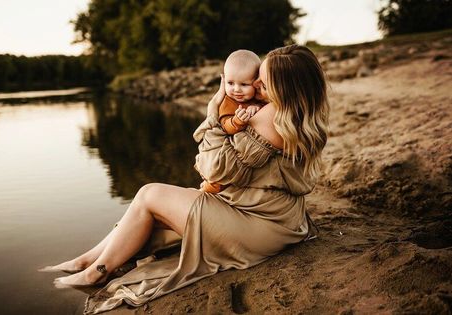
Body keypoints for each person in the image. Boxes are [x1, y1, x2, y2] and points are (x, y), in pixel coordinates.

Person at [40, 44, 329, 315]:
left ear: (284, 89)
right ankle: (88, 259)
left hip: (258, 227)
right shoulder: (299, 113)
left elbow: (213, 169)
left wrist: (214, 113)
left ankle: (94, 272)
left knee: (149, 194)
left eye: (262, 83)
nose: (254, 86)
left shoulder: (267, 115)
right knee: (152, 213)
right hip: (275, 218)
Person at [199, 49, 266, 194]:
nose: (236, 90)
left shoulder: (258, 99)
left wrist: (258, 107)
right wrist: (236, 121)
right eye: (230, 83)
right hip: (224, 155)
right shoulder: (227, 102)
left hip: (245, 158)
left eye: (244, 84)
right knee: (215, 185)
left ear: (256, 82)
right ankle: (206, 190)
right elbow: (225, 126)